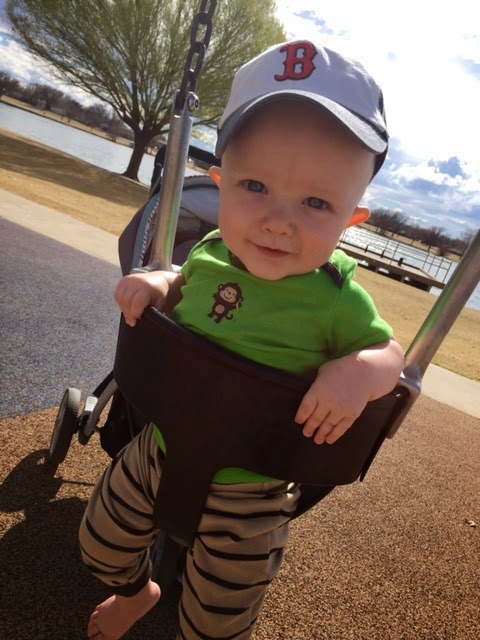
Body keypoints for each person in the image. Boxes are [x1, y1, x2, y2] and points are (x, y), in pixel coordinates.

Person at [80, 40, 404, 640]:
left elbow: (391, 357)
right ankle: (136, 592)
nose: (279, 221)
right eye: (255, 186)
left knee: (219, 618)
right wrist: (157, 281)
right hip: (158, 445)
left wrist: (357, 371)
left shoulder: (336, 298)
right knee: (99, 543)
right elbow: (181, 282)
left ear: (351, 220)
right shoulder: (210, 253)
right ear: (220, 182)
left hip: (254, 489)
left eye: (316, 202)